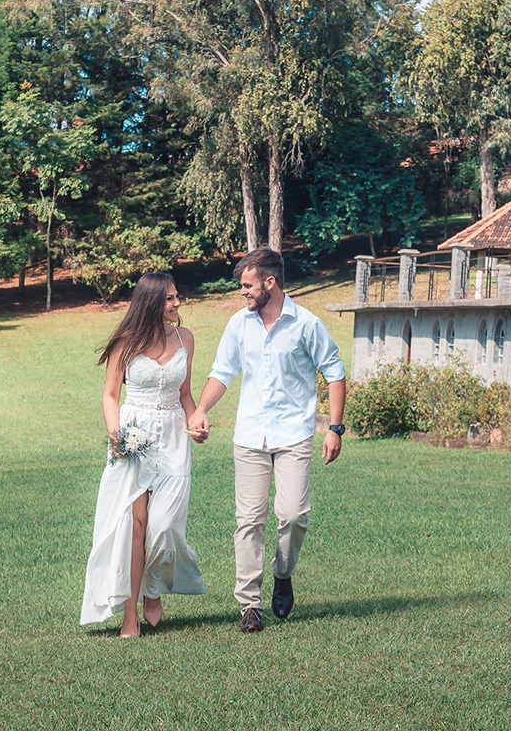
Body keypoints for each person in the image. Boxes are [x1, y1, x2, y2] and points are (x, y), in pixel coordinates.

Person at [188, 247, 346, 633]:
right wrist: (201, 409)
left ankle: (283, 571)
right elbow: (222, 372)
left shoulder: (307, 324)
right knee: (249, 521)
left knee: (292, 515)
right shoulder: (238, 325)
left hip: (294, 435)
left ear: (270, 283)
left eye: (248, 285)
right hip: (249, 437)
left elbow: (334, 373)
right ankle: (249, 605)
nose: (243, 292)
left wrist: (334, 428)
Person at [81, 273, 207, 638]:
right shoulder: (126, 342)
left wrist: (197, 422)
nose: (177, 303)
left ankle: (154, 589)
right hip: (132, 436)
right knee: (134, 528)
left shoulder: (186, 339)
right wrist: (115, 435)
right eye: (170, 298)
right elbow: (109, 396)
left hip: (172, 437)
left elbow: (185, 396)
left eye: (177, 296)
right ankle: (129, 615)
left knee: (165, 526)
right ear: (152, 302)